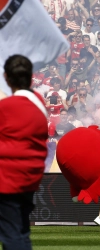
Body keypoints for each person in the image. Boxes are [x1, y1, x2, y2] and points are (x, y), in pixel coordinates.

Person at [0, 55, 48, 249]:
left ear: (6, 77)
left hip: (7, 179)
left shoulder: (6, 108)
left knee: (13, 237)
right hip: (30, 178)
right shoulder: (38, 103)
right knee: (20, 232)